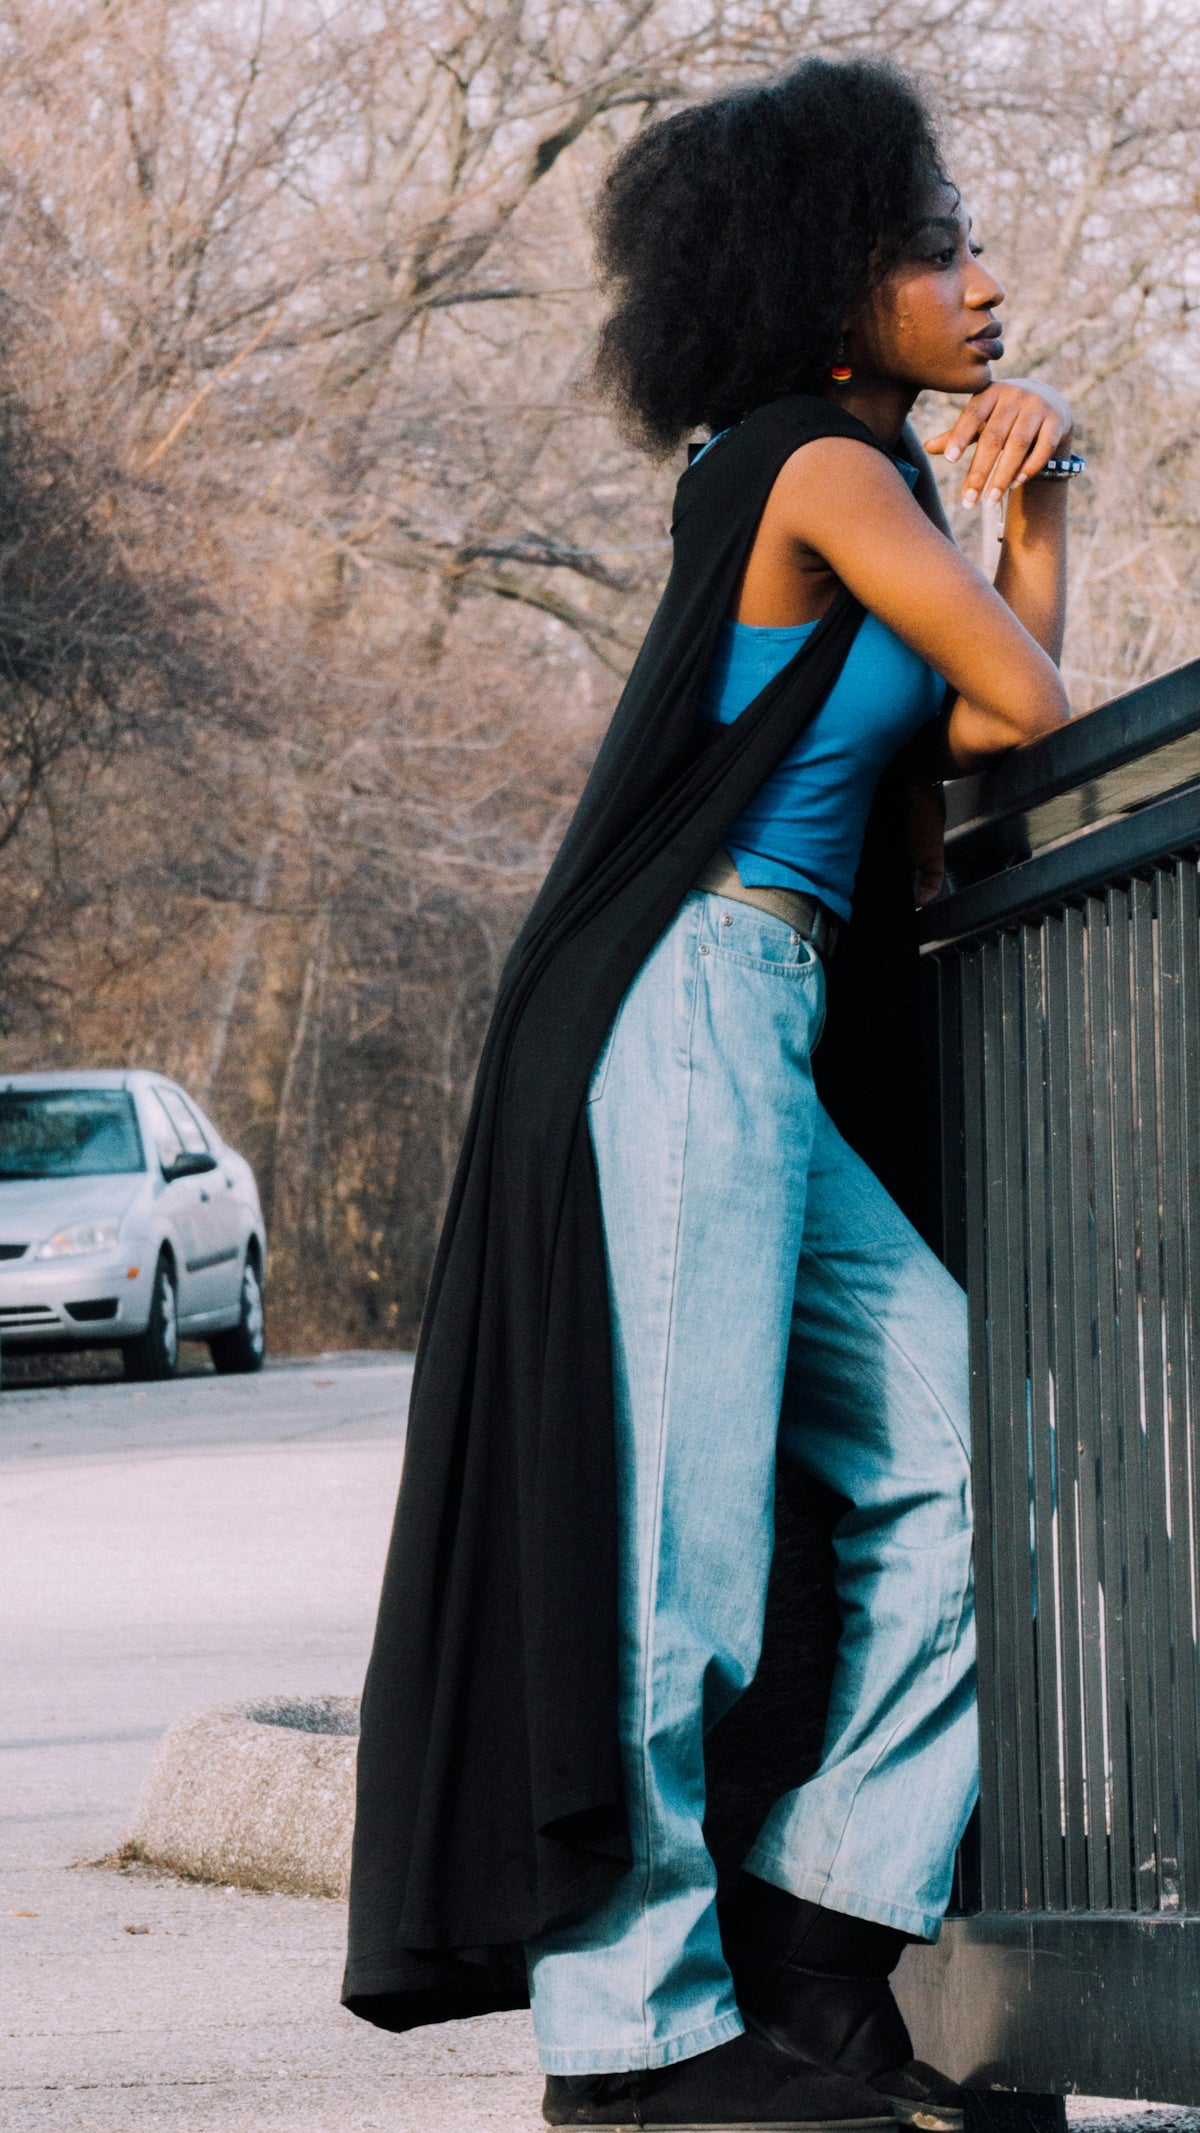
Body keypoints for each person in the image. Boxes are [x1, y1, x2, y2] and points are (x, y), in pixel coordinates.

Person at [343, 54, 1077, 2133]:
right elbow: (1024, 693)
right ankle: (633, 2033)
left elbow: (983, 738)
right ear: (840, 287)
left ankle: (820, 1939)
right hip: (685, 1008)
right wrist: (997, 507)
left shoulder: (873, 477)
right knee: (676, 1545)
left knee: (952, 1447)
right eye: (946, 252)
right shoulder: (815, 468)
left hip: (755, 1022)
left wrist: (1020, 512)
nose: (989, 284)